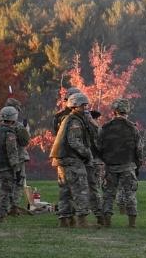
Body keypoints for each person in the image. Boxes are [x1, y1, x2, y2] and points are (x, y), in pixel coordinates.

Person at [50, 93, 94, 228]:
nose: (86, 108)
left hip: (63, 159)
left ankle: (64, 220)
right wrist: (87, 154)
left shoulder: (68, 118)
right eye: (83, 105)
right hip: (71, 159)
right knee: (81, 189)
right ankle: (82, 221)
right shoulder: (75, 121)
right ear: (76, 106)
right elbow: (74, 142)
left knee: (65, 191)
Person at [98, 99, 145, 228]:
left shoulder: (105, 128)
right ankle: (132, 223)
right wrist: (138, 163)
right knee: (130, 194)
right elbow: (139, 149)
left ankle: (107, 221)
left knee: (108, 194)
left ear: (114, 112)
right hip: (128, 165)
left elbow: (99, 147)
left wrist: (105, 160)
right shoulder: (132, 128)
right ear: (127, 111)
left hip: (111, 166)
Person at [0, 106, 22, 223]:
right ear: (14, 118)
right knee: (6, 192)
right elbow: (12, 152)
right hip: (5, 166)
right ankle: (0, 217)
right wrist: (16, 169)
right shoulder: (9, 133)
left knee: (0, 192)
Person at [3, 98, 31, 215]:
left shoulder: (0, 125)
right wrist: (26, 129)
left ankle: (4, 205)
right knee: (18, 181)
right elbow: (25, 141)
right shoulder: (18, 126)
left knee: (5, 183)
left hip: (4, 158)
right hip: (17, 158)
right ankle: (13, 207)